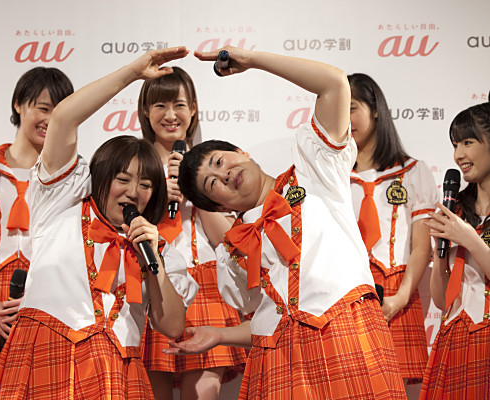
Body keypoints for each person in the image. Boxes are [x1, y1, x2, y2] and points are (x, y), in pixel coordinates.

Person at [170, 47, 407, 399]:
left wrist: (253, 61)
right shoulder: (233, 252)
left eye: (220, 162)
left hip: (348, 337)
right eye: (211, 183)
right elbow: (269, 315)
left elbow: (333, 83)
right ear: (218, 205)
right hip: (277, 361)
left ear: (242, 152)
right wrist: (221, 335)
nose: (224, 175)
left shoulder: (314, 169)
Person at [0, 46, 199, 399]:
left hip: (115, 372)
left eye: (146, 184)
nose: (134, 192)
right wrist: (132, 73)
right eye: (123, 179)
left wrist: (154, 261)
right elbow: (63, 118)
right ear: (100, 179)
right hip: (44, 358)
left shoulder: (157, 249)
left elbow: (172, 325)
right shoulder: (60, 201)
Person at [0, 67, 73, 382]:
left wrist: (42, 294)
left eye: (60, 112)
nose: (50, 120)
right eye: (43, 108)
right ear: (18, 104)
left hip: (46, 292)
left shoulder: (68, 175)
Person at [137, 67, 246, 399]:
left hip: (207, 285)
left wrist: (194, 189)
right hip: (155, 282)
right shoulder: (135, 164)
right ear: (145, 111)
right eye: (160, 105)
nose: (171, 115)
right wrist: (157, 197)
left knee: (203, 393)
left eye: (179, 105)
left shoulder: (211, 163)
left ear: (194, 108)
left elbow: (228, 240)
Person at [348, 73, 436, 391]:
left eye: (351, 108)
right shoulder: (332, 178)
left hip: (398, 290)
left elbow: (421, 247)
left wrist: (400, 298)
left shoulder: (412, 172)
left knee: (392, 390)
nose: (344, 119)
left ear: (375, 110)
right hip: (347, 291)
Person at [421, 102, 490, 399]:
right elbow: (440, 300)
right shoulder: (456, 209)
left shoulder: (462, 227)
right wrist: (439, 252)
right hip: (455, 337)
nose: (458, 154)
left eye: (467, 142)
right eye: (454, 145)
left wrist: (469, 238)